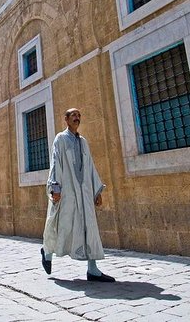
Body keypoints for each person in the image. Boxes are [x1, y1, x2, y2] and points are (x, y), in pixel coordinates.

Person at [40, 108, 115, 282]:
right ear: (66, 119)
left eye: (79, 115)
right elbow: (55, 162)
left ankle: (93, 269)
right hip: (67, 192)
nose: (77, 118)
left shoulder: (83, 142)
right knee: (61, 224)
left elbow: (90, 166)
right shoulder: (60, 139)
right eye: (73, 115)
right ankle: (48, 252)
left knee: (90, 226)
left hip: (85, 193)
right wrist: (55, 188)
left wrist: (97, 191)